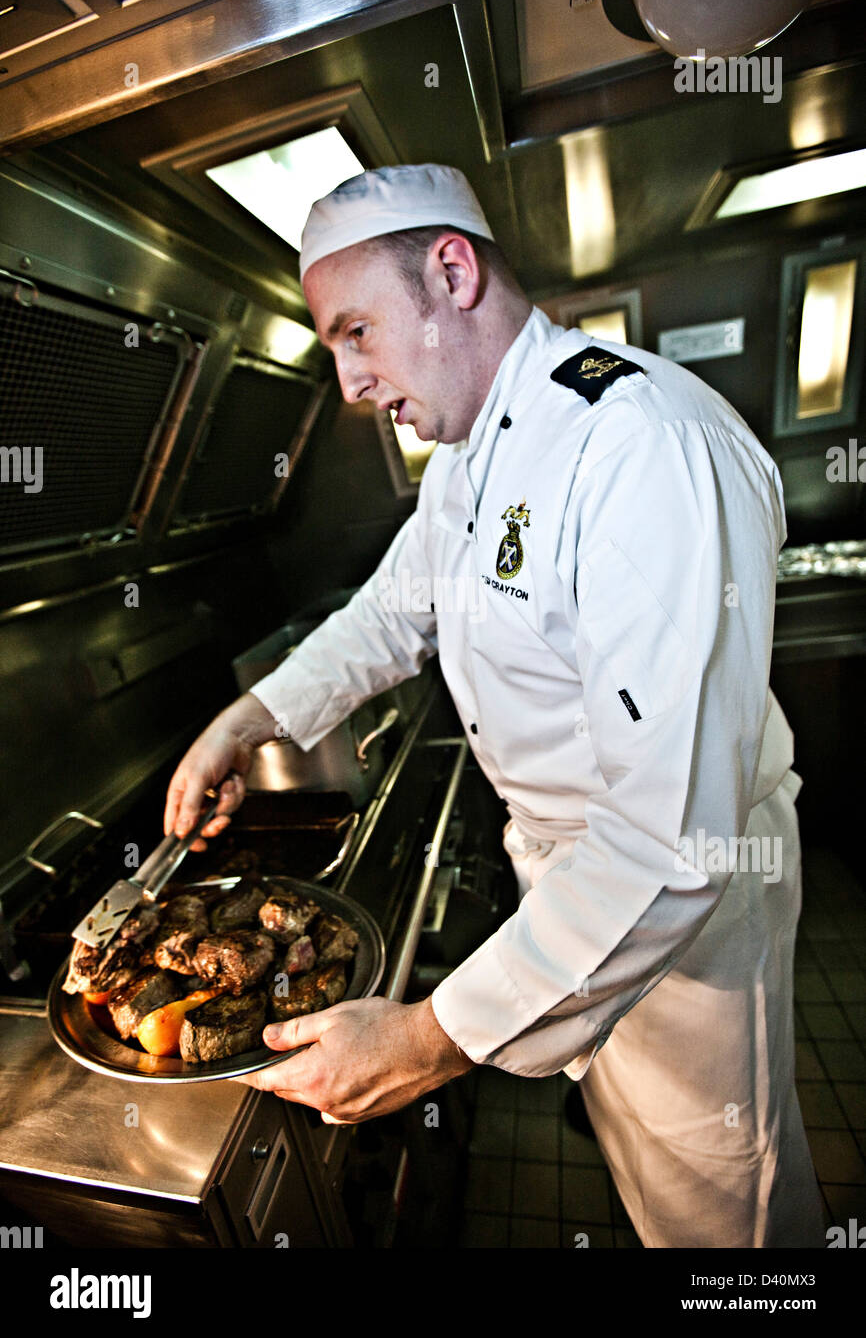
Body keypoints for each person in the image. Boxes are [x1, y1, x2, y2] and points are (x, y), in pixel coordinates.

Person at [164, 163, 825, 1248]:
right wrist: (250, 721)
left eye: (355, 333)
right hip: (568, 892)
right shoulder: (467, 462)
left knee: (722, 1210)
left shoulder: (639, 445)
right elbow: (390, 614)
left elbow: (669, 839)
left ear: (451, 272)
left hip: (679, 917)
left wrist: (429, 1037)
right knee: (644, 1178)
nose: (348, 382)